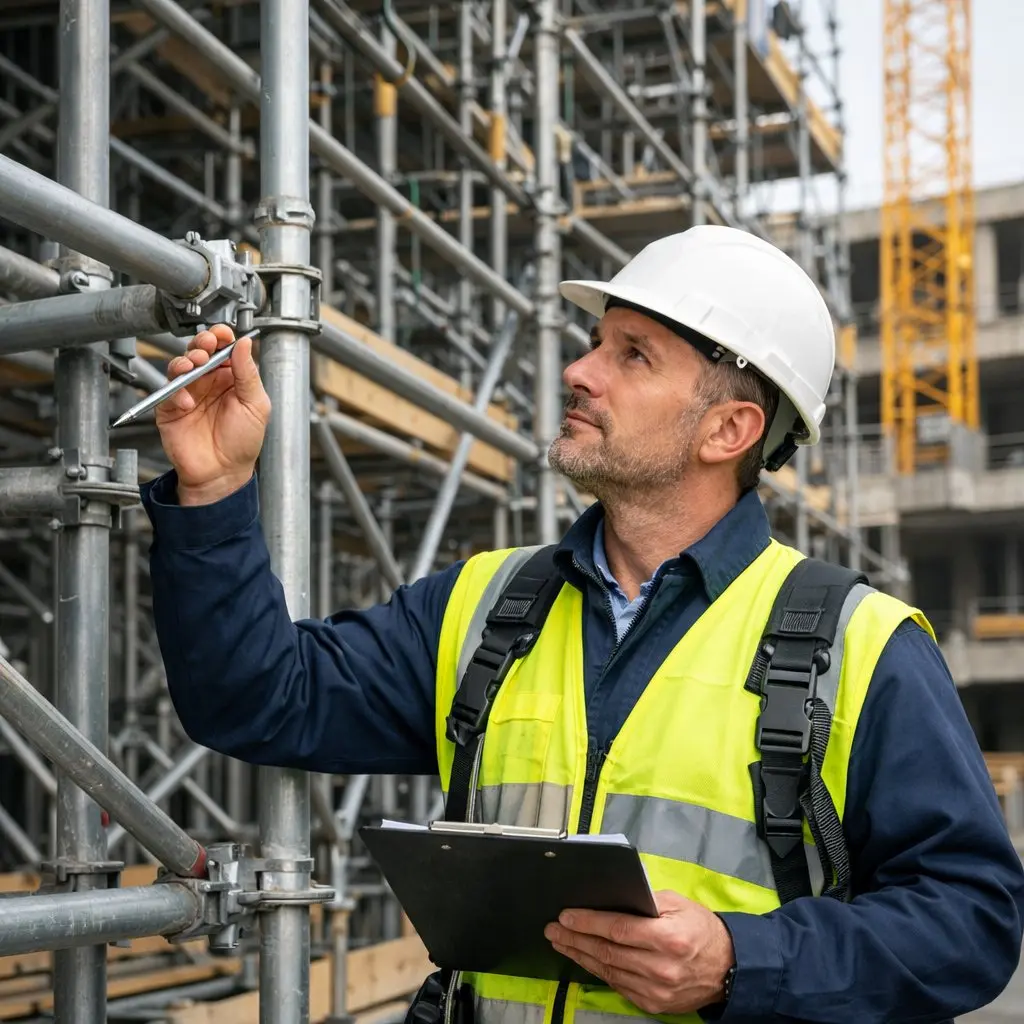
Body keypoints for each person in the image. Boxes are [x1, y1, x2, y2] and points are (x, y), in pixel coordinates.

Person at [140, 225, 1024, 1024]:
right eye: (596, 343)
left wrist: (739, 961)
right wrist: (213, 491)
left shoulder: (861, 647)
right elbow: (257, 699)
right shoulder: (485, 608)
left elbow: (971, 922)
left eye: (633, 355)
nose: (579, 370)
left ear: (730, 428)